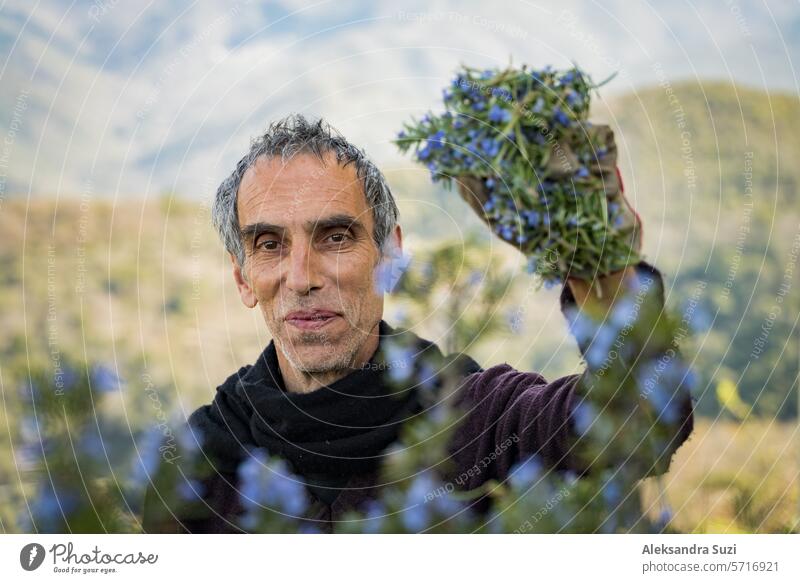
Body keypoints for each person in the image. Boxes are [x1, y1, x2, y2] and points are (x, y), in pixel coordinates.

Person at [142, 114, 693, 533]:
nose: (301, 276)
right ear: (243, 278)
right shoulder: (198, 463)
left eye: (335, 237)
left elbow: (638, 428)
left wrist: (602, 269)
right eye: (269, 244)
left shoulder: (474, 417)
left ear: (389, 256)